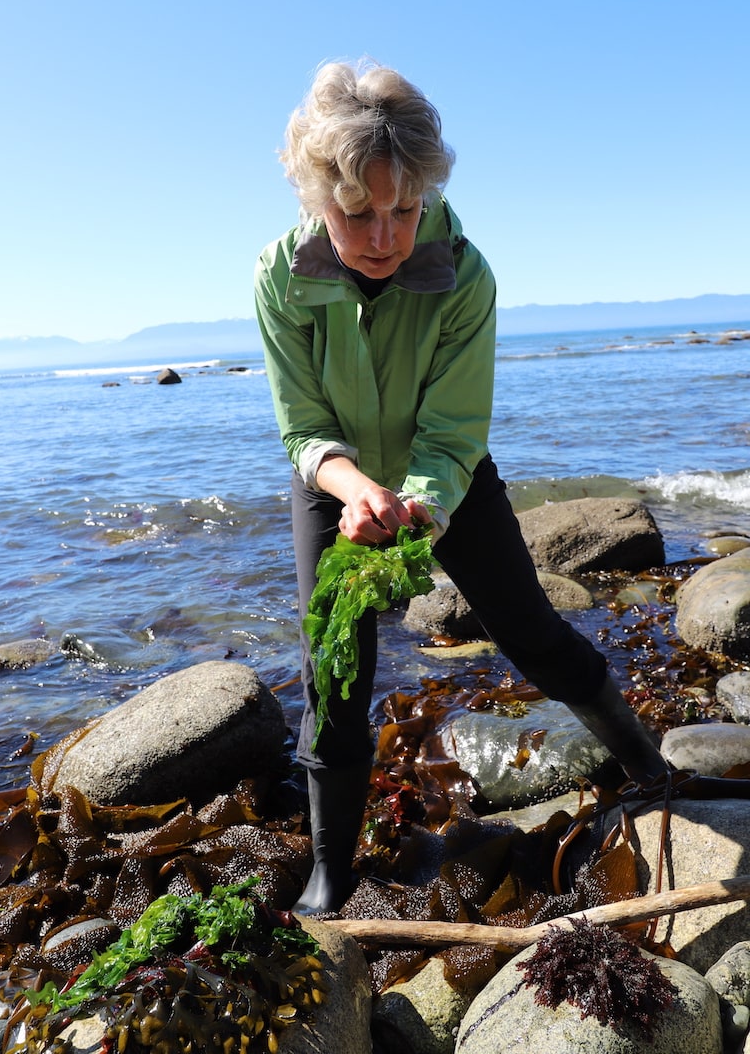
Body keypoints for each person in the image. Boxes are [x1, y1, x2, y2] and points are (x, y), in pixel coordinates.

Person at [254, 60, 666, 916]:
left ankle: (649, 767)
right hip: (334, 482)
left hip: (449, 478)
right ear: (314, 198)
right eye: (357, 212)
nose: (382, 235)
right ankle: (333, 873)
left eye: (403, 209)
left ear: (427, 191)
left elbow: (451, 436)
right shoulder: (280, 278)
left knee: (533, 635)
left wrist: (415, 503)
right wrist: (357, 489)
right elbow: (301, 429)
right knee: (334, 673)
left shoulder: (465, 277)